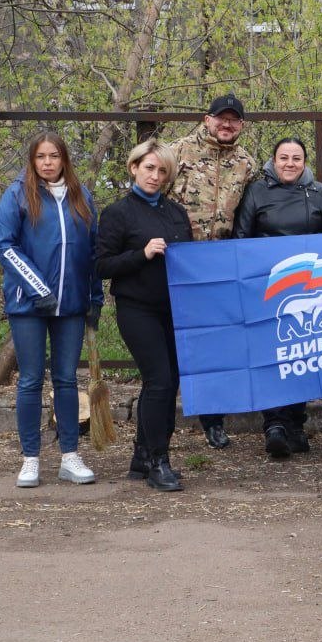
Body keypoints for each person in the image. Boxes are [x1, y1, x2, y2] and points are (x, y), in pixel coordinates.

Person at [0, 131, 103, 488]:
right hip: (29, 306)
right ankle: (31, 458)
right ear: (32, 160)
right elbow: (3, 244)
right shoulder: (17, 195)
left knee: (67, 380)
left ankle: (69, 456)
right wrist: (38, 288)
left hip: (70, 305)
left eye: (54, 156)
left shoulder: (81, 196)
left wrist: (94, 298)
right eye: (41, 157)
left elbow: (93, 252)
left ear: (64, 159)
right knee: (30, 380)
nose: (48, 163)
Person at [96, 140, 193, 491]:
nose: (155, 175)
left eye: (162, 170)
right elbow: (101, 265)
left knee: (172, 382)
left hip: (173, 309)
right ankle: (157, 461)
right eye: (149, 167)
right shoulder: (117, 213)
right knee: (160, 381)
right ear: (134, 167)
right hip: (137, 309)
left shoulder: (176, 213)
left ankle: (141, 456)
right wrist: (143, 253)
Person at [235, 137, 322, 458]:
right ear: (273, 161)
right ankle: (274, 424)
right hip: (268, 288)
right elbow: (241, 237)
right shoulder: (256, 191)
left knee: (302, 356)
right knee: (273, 356)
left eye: (296, 158)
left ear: (305, 162)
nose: (290, 163)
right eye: (283, 157)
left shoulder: (319, 193)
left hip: (308, 288)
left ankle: (295, 423)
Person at [167, 93, 257, 450]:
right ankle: (161, 421)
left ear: (242, 126)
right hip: (177, 261)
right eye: (221, 118)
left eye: (234, 120)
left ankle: (213, 420)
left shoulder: (246, 163)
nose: (227, 124)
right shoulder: (175, 153)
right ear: (207, 119)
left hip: (220, 266)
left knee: (215, 346)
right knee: (171, 344)